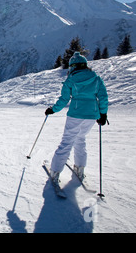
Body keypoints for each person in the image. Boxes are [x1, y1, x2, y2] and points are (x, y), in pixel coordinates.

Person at [45, 52, 108, 185]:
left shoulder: (71, 80)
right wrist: (103, 114)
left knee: (67, 142)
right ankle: (80, 169)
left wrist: (53, 109)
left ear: (72, 66)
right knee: (80, 139)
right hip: (92, 115)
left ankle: (55, 171)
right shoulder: (96, 79)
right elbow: (103, 97)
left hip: (75, 114)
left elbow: (64, 99)